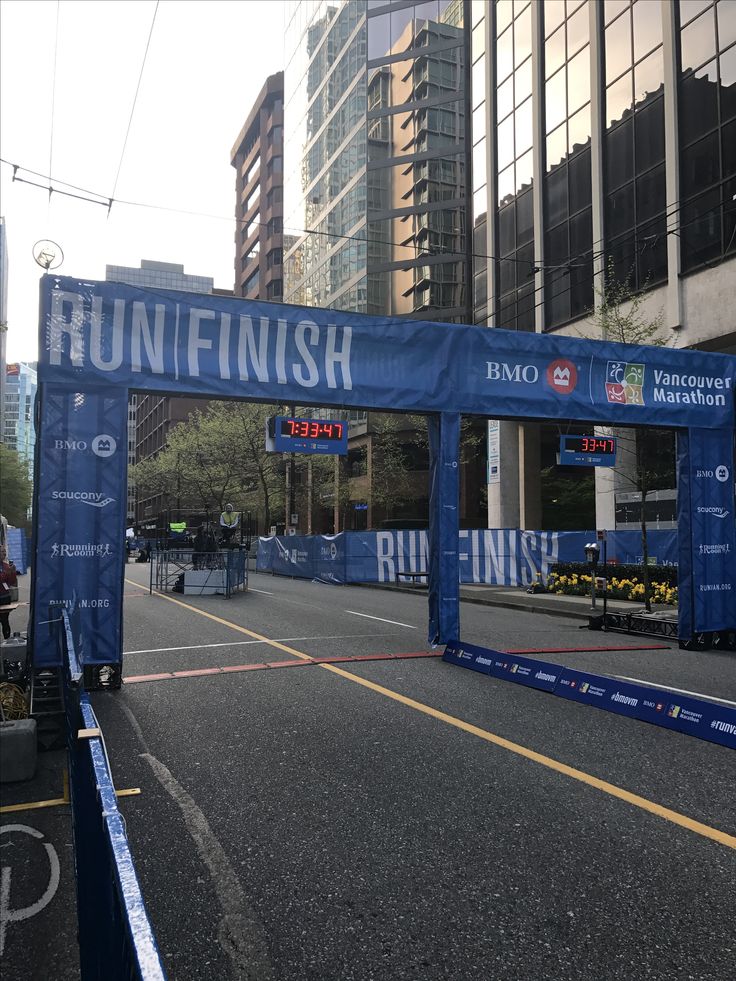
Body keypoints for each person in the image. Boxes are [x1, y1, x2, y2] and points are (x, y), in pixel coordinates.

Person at [0, 546, 18, 641]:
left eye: (5, 551)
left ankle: (7, 641)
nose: (4, 553)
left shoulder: (6, 566)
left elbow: (12, 583)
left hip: (5, 597)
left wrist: (13, 572)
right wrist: (5, 574)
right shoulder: (6, 569)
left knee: (5, 620)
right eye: (2, 551)